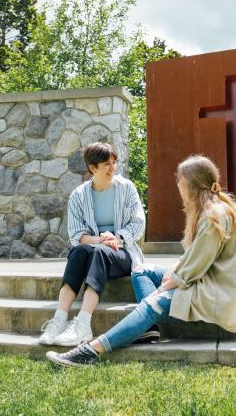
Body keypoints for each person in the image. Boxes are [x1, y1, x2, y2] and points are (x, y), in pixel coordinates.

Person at [47, 155, 236, 366]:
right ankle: (147, 328)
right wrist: (173, 271)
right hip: (209, 281)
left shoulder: (214, 217)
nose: (178, 185)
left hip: (220, 293)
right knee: (141, 270)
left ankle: (90, 351)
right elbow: (193, 257)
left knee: (152, 303)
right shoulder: (211, 210)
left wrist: (161, 290)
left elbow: (192, 270)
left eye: (180, 181)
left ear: (191, 185)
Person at [38, 142, 146, 346]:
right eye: (106, 164)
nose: (113, 168)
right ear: (92, 168)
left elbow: (138, 223)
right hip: (94, 249)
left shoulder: (127, 188)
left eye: (114, 162)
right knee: (78, 252)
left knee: (99, 253)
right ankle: (59, 321)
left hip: (123, 252)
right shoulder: (78, 195)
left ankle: (83, 325)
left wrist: (117, 238)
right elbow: (77, 235)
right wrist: (102, 240)